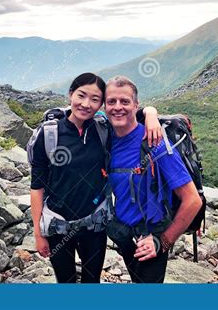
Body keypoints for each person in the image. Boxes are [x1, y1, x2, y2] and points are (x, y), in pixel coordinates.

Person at [30, 73, 162, 283]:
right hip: (58, 225)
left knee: (92, 282)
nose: (86, 104)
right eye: (81, 95)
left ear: (100, 104)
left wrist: (152, 113)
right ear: (71, 94)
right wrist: (38, 233)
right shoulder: (48, 135)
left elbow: (130, 114)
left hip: (94, 225)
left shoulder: (103, 128)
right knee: (66, 281)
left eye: (94, 99)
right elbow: (37, 186)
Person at [105, 76, 202, 283]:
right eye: (111, 101)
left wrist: (162, 242)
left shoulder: (155, 142)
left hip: (150, 237)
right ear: (104, 106)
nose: (117, 107)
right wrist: (150, 112)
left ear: (135, 105)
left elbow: (193, 200)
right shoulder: (105, 138)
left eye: (125, 101)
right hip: (123, 234)